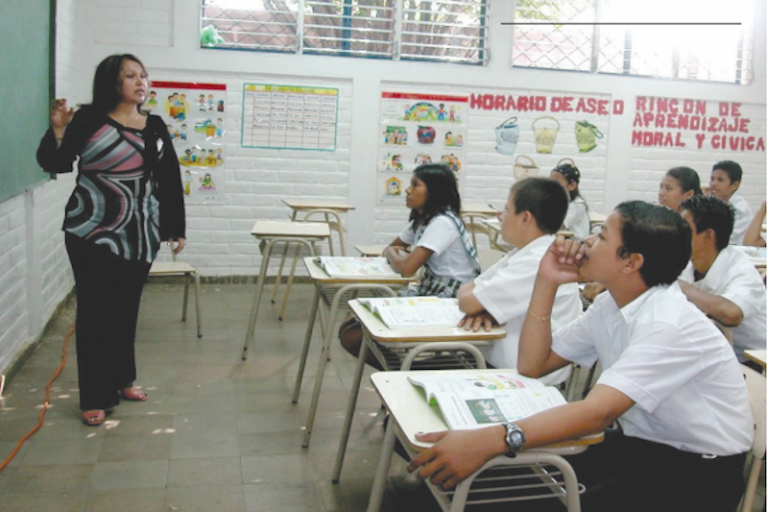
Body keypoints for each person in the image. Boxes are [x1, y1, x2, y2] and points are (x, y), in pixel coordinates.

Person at [408, 201, 752, 512]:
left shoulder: (667, 324)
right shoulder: (611, 304)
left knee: (516, 495)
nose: (586, 241)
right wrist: (546, 281)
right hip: (641, 448)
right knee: (493, 480)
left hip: (696, 476)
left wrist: (494, 438)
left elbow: (596, 413)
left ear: (631, 262)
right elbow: (533, 364)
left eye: (601, 237)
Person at [36, 54, 186, 426]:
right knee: (95, 313)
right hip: (90, 230)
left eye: (143, 75)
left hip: (139, 233)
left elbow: (168, 177)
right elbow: (56, 164)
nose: (140, 82)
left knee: (125, 310)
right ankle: (95, 395)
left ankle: (122, 380)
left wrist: (175, 227)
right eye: (130, 76)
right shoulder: (87, 119)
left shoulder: (153, 125)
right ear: (112, 82)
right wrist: (57, 130)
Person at [339, 164, 480, 367]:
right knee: (350, 327)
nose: (407, 190)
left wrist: (394, 254)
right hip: (431, 289)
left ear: (434, 191)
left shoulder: (443, 222)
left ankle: (402, 372)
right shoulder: (423, 219)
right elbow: (394, 248)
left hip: (452, 298)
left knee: (353, 335)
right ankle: (401, 370)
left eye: (415, 185)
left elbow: (406, 269)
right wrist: (395, 253)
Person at [456, 177, 581, 383]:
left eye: (506, 210)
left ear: (525, 218)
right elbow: (468, 292)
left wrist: (481, 307)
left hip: (521, 378)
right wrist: (482, 307)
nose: (501, 217)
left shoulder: (537, 261)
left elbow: (467, 300)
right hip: (502, 366)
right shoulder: (523, 252)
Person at [678, 195, 766, 364]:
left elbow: (730, 314)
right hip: (714, 353)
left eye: (684, 229)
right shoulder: (688, 263)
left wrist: (682, 287)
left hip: (751, 361)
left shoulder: (741, 270)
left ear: (708, 236)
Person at [707, 160, 753, 245]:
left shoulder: (740, 208)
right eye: (712, 179)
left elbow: (724, 235)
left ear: (734, 185)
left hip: (735, 249)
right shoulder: (712, 201)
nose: (713, 184)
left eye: (720, 180)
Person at [549, 162, 589, 240]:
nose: (551, 187)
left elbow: (559, 226)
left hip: (576, 245)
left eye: (556, 184)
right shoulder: (559, 202)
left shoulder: (577, 205)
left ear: (572, 186)